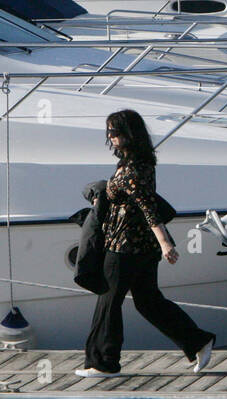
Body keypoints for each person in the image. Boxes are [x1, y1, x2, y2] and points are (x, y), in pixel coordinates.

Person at [77, 109, 216, 377]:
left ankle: (103, 363)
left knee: (108, 300)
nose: (111, 137)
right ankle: (197, 341)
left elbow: (148, 208)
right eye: (109, 132)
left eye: (115, 132)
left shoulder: (133, 170)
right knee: (148, 301)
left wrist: (166, 244)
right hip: (141, 248)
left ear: (130, 134)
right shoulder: (137, 162)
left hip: (125, 246)